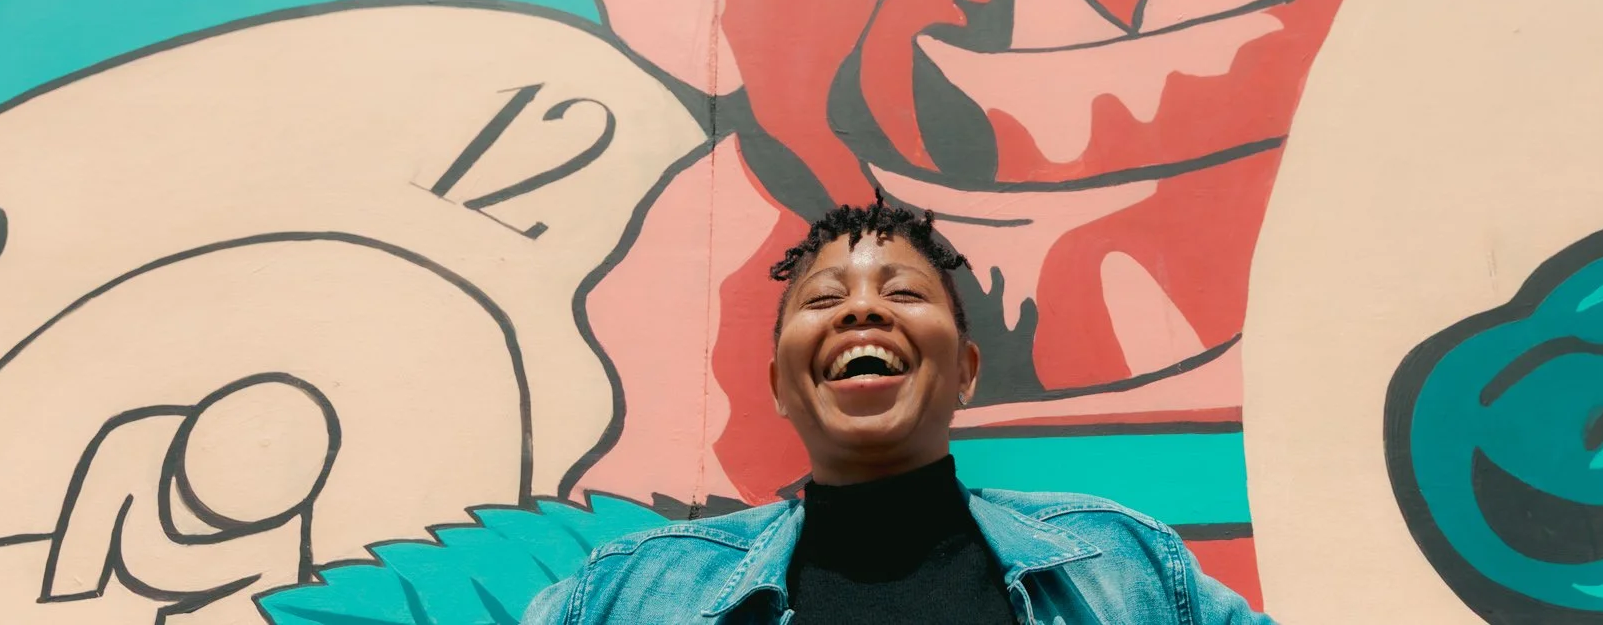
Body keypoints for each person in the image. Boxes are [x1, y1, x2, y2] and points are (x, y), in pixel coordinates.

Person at [522, 200, 1276, 624]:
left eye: (904, 293)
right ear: (781, 385)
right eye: (824, 299)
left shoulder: (1122, 565)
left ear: (966, 373)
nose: (861, 310)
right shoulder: (636, 592)